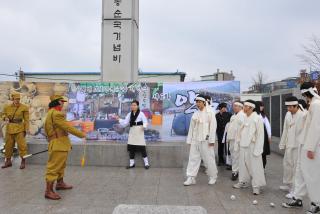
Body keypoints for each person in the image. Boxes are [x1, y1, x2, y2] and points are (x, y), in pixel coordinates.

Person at [44, 95, 86, 200]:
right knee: (54, 168)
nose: (63, 103)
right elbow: (66, 127)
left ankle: (60, 183)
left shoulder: (51, 112)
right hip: (59, 144)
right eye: (61, 102)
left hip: (59, 143)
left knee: (61, 165)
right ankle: (48, 191)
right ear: (57, 102)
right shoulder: (57, 114)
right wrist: (82, 134)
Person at [233, 100, 266, 195]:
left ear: (251, 108)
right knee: (242, 165)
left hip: (253, 146)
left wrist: (258, 149)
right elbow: (239, 133)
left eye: (246, 106)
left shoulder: (257, 118)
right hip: (243, 146)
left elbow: (260, 135)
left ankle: (256, 186)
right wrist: (237, 144)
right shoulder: (244, 118)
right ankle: (243, 181)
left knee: (255, 167)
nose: (244, 108)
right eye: (244, 106)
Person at [184, 94, 218, 186]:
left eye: (199, 102)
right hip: (196, 140)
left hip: (206, 141)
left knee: (209, 159)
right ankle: (191, 177)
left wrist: (211, 140)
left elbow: (213, 127)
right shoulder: (195, 113)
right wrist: (189, 140)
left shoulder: (210, 112)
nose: (197, 104)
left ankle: (212, 176)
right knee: (193, 159)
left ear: (204, 102)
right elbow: (191, 128)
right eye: (196, 102)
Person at [282, 99, 308, 209]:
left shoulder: (303, 115)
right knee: (288, 166)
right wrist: (283, 143)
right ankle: (290, 186)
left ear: (296, 106)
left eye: (290, 107)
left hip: (298, 146)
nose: (288, 109)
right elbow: (285, 130)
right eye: (287, 107)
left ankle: (295, 191)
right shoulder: (288, 114)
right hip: (289, 144)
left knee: (296, 170)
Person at [299, 82, 320, 213]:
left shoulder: (316, 105)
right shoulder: (315, 104)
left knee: (313, 175)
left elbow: (315, 127)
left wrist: (311, 148)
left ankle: (316, 203)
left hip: (314, 146)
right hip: (312, 144)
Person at [117, 100, 150, 169]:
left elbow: (145, 121)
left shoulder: (141, 113)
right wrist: (119, 119)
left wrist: (144, 126)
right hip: (132, 131)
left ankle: (146, 163)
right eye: (132, 105)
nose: (133, 106)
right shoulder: (129, 114)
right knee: (131, 149)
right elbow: (125, 123)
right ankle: (132, 164)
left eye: (134, 105)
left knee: (142, 148)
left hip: (139, 131)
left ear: (137, 106)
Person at [1, 93, 29, 169]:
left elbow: (26, 119)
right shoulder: (7, 107)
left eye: (18, 99)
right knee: (8, 146)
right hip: (9, 128)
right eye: (16, 99)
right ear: (12, 99)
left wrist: (26, 129)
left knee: (22, 146)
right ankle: (8, 161)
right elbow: (2, 114)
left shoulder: (24, 107)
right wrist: (4, 118)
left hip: (19, 128)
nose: (17, 100)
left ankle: (23, 162)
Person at [226, 101, 246, 181]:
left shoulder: (243, 115)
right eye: (234, 106)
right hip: (231, 139)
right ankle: (235, 171)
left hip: (238, 140)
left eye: (236, 106)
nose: (234, 107)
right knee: (234, 156)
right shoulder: (233, 116)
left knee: (238, 156)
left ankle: (236, 172)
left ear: (241, 107)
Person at [256, 101, 271, 169]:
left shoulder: (263, 116)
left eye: (262, 106)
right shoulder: (255, 115)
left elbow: (268, 126)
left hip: (264, 137)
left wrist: (269, 136)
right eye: (261, 106)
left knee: (263, 153)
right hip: (256, 137)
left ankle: (263, 167)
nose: (262, 107)